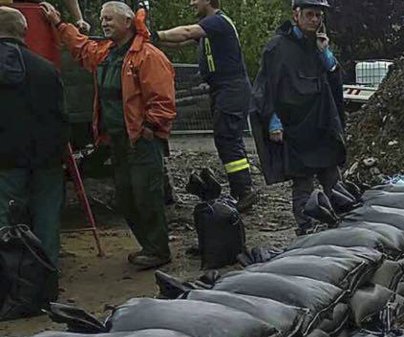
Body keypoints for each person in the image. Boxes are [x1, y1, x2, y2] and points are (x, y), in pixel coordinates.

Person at [41, 0, 176, 269]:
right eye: (102, 18)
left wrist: (149, 130)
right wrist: (58, 23)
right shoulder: (106, 53)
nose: (104, 23)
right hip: (117, 141)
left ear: (128, 22)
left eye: (109, 18)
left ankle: (159, 251)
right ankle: (149, 247)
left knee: (146, 198)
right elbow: (81, 47)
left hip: (141, 142)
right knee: (126, 198)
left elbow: (163, 101)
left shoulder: (148, 57)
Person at [153, 0, 258, 211]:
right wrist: (153, 41)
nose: (191, 3)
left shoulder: (217, 22)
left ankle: (244, 190)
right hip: (222, 88)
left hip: (231, 87)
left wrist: (153, 35)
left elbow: (185, 32)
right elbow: (180, 41)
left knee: (227, 137)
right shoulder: (207, 29)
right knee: (225, 138)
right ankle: (241, 190)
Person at [251, 0, 345, 234]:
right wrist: (273, 121)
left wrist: (326, 54)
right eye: (310, 15)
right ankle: (306, 229)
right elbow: (266, 88)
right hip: (295, 128)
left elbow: (333, 80)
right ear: (296, 15)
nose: (314, 20)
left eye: (318, 16)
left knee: (333, 178)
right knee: (303, 184)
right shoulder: (277, 48)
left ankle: (345, 222)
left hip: (320, 126)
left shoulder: (318, 46)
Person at [0, 5, 69, 267]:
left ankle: (8, 280)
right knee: (47, 219)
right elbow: (61, 116)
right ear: (24, 31)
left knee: (4, 218)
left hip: (5, 160)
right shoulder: (47, 69)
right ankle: (46, 275)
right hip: (47, 159)